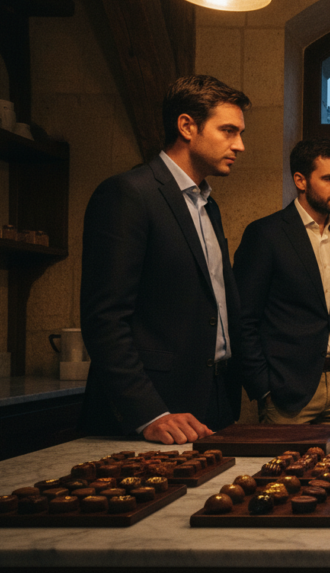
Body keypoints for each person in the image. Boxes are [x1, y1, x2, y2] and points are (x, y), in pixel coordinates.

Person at [80, 75, 250, 444]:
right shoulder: (128, 193)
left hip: (216, 398)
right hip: (157, 409)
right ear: (187, 126)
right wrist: (149, 413)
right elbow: (104, 319)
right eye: (228, 131)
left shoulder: (208, 204)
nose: (240, 145)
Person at [233, 139, 330, 434]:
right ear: (300, 180)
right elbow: (243, 319)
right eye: (329, 178)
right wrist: (263, 387)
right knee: (284, 479)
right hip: (286, 394)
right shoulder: (265, 234)